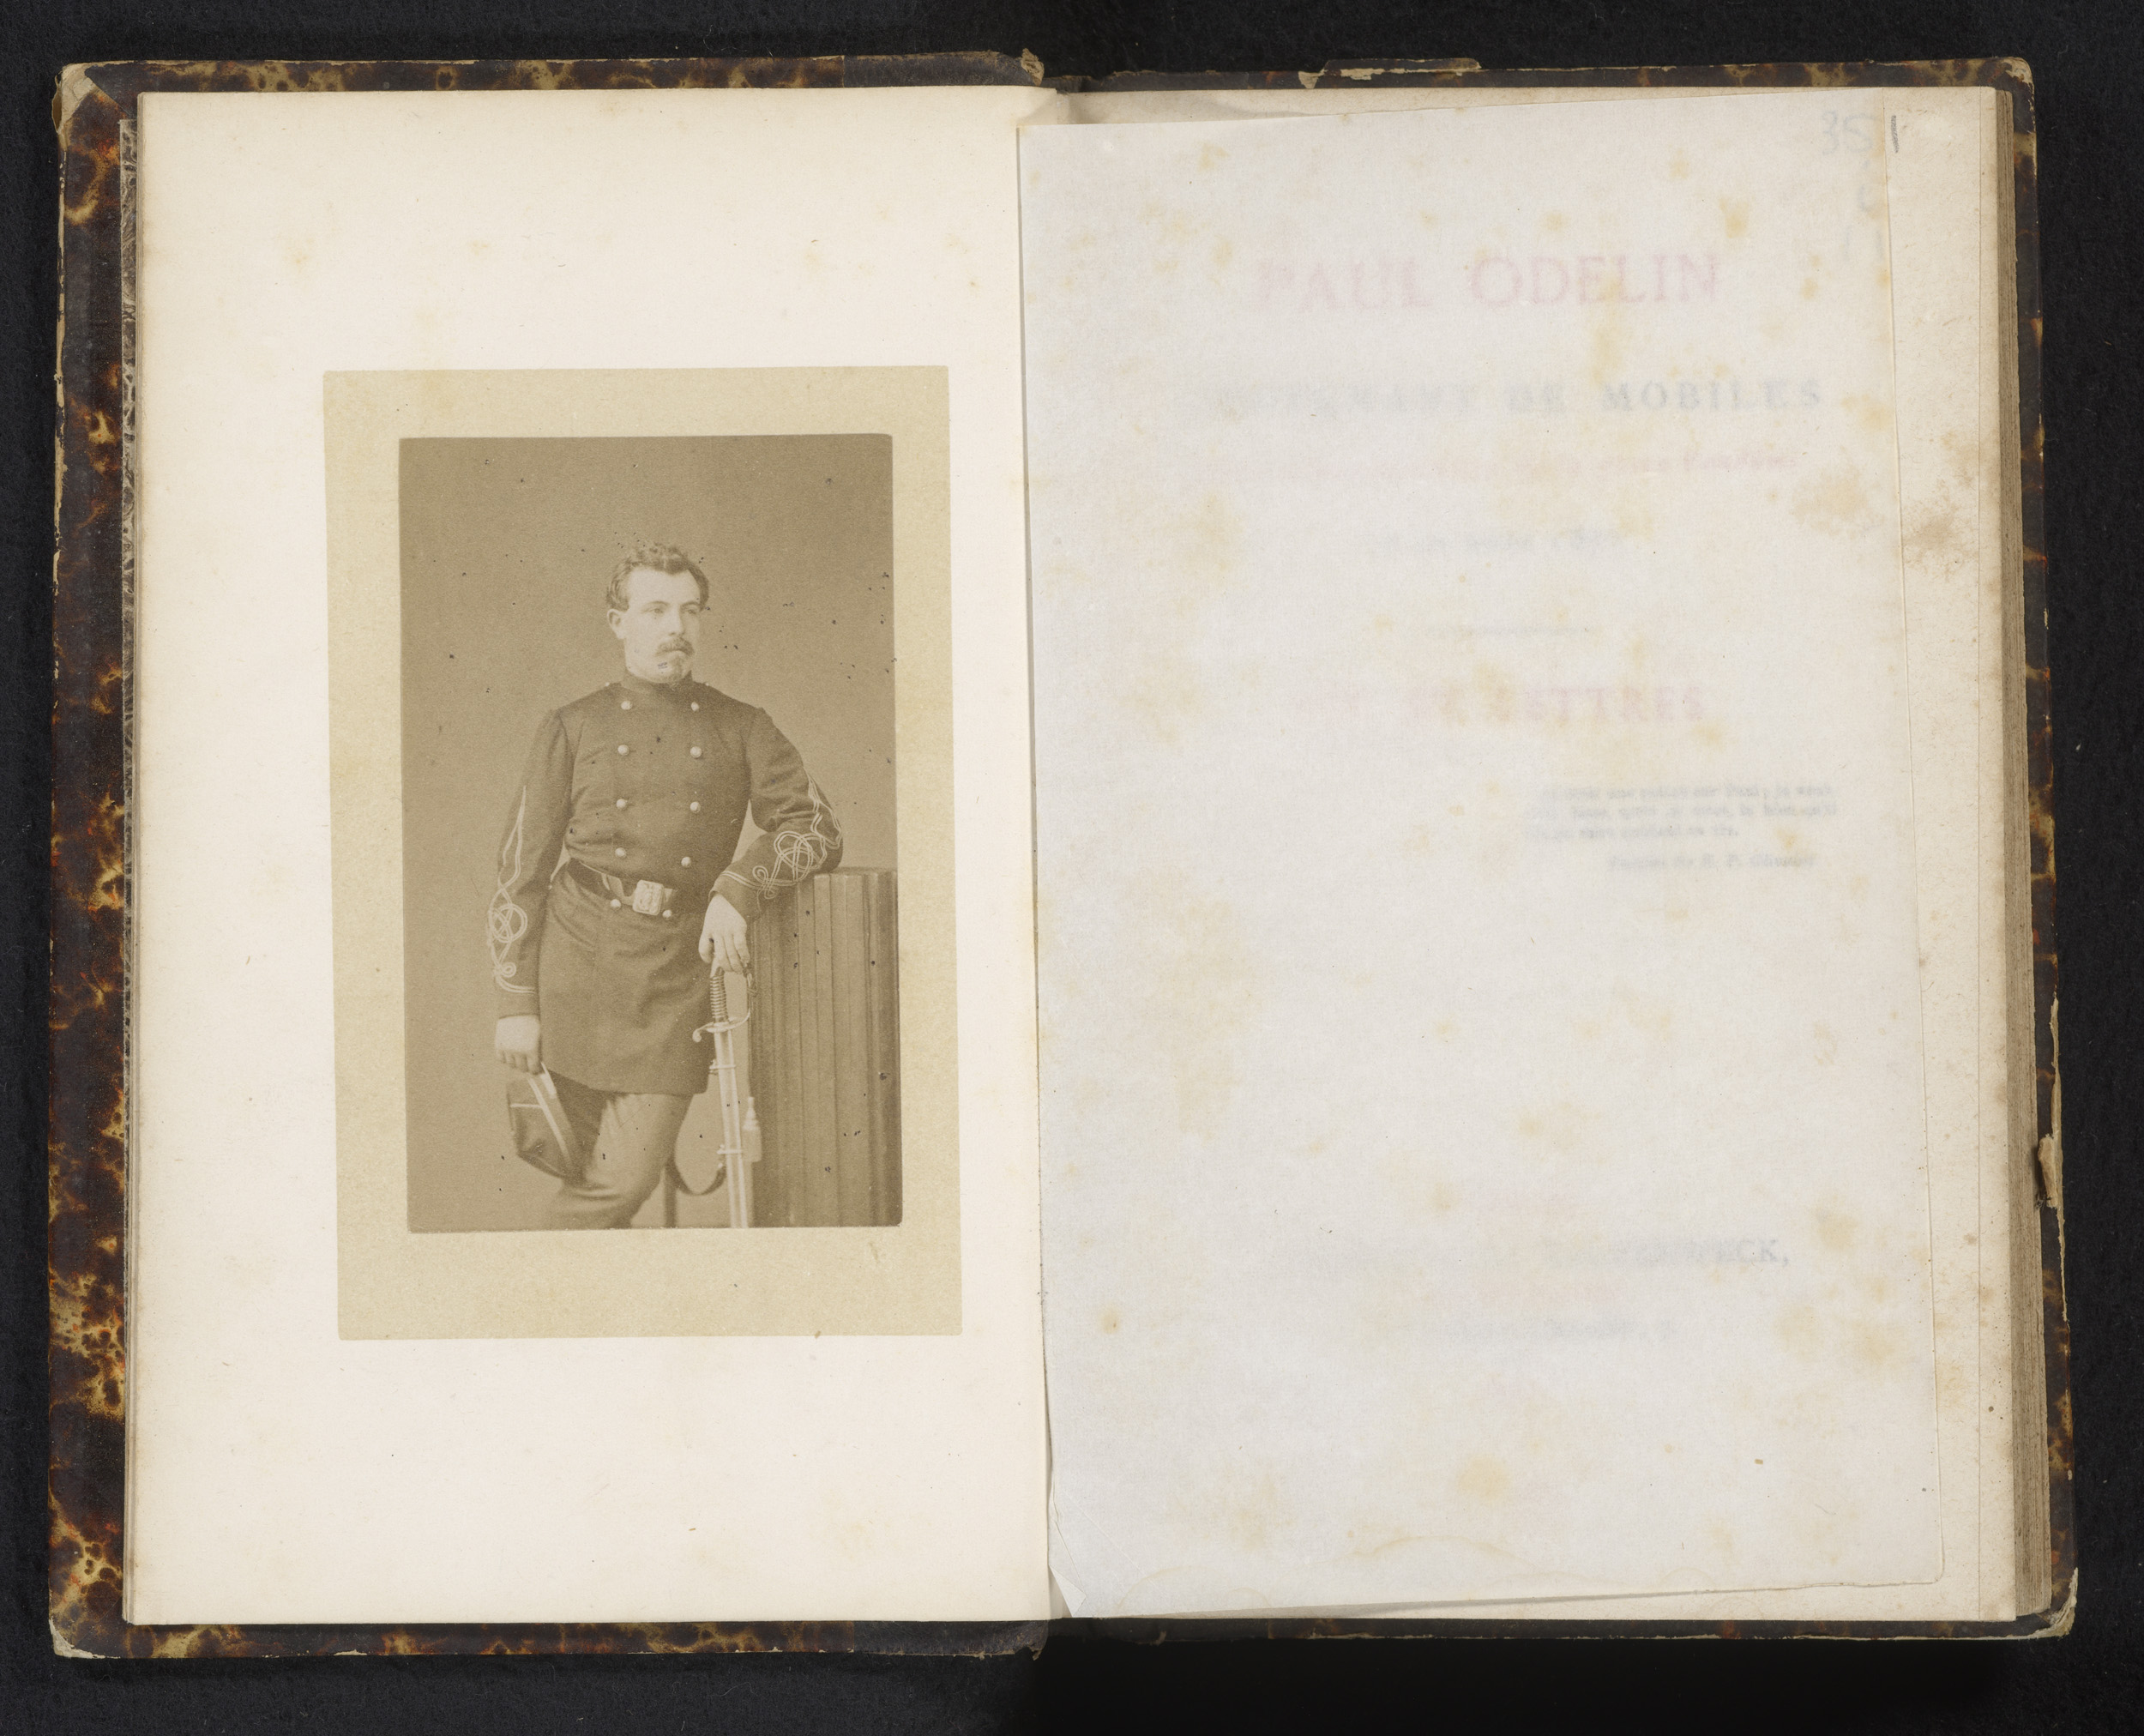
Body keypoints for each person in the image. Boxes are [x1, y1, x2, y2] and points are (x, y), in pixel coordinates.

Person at [489, 543, 841, 1228]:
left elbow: (816, 826)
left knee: (621, 1183)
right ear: (618, 622)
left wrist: (737, 889)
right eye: (654, 610)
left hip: (672, 982)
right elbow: (519, 874)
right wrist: (515, 1003)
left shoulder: (741, 725)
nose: (675, 627)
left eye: (689, 611)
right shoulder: (572, 726)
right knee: (589, 1175)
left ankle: (522, 1284)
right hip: (573, 973)